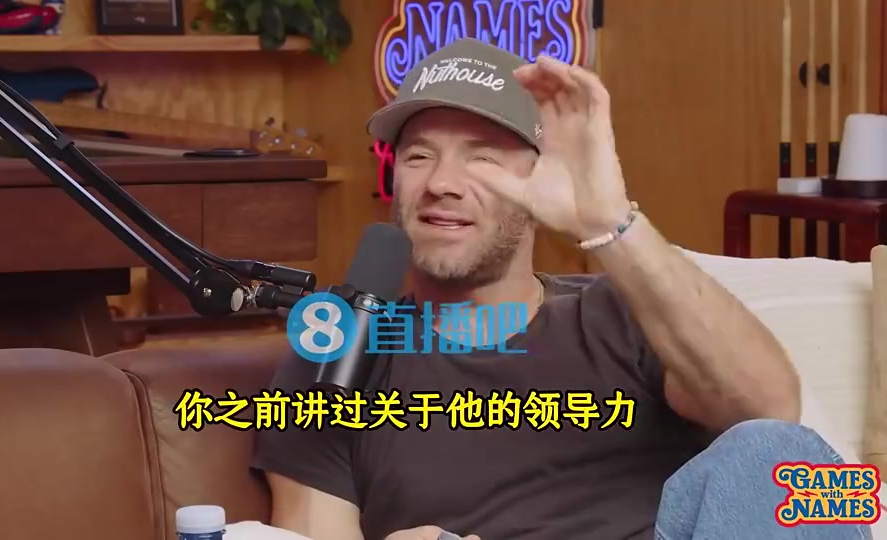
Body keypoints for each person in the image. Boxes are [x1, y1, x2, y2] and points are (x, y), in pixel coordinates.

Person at [251, 38, 874, 540]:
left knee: (774, 452)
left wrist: (611, 224)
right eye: (418, 157)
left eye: (482, 158)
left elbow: (769, 410)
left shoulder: (618, 311)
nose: (442, 182)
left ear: (543, 178)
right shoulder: (340, 353)